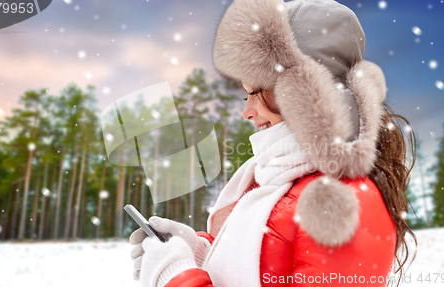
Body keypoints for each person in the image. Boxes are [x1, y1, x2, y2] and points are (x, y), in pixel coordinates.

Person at [129, 0, 417, 286]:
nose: (247, 112)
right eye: (246, 94)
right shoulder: (272, 179)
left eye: (262, 93)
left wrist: (176, 277)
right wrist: (198, 252)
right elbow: (259, 265)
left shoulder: (345, 201)